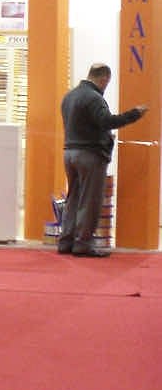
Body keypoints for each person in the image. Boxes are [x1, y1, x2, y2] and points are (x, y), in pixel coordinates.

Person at [57, 63, 147, 257]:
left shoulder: (69, 96)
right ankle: (83, 244)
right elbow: (107, 121)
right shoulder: (94, 98)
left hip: (69, 152)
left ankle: (66, 241)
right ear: (104, 78)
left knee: (73, 198)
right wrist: (134, 114)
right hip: (90, 155)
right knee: (90, 201)